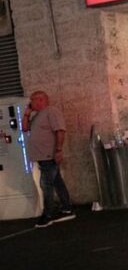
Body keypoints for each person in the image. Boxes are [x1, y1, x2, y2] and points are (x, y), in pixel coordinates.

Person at [25, 90, 75, 228]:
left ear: (41, 100)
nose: (30, 103)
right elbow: (25, 128)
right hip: (42, 156)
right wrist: (27, 114)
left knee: (46, 184)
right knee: (57, 182)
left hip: (49, 155)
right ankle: (67, 208)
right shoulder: (37, 115)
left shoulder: (51, 112)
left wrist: (58, 150)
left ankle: (48, 215)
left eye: (32, 100)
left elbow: (60, 130)